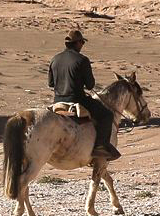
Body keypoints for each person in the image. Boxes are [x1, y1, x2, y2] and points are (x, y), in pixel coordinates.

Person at [49, 27, 118, 160]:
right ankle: (100, 147)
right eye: (82, 42)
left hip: (57, 100)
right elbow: (90, 85)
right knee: (107, 115)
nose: (82, 45)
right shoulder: (82, 60)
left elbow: (51, 84)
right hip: (77, 99)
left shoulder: (54, 59)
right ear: (77, 43)